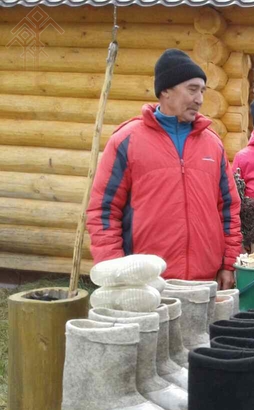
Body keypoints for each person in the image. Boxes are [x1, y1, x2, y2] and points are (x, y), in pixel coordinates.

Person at [87, 49, 242, 288]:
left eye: (202, 90)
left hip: (205, 280)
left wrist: (228, 264)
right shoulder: (126, 140)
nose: (200, 99)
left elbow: (229, 210)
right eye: (192, 89)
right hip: (145, 282)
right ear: (166, 91)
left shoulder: (213, 144)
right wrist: (114, 270)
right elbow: (104, 211)